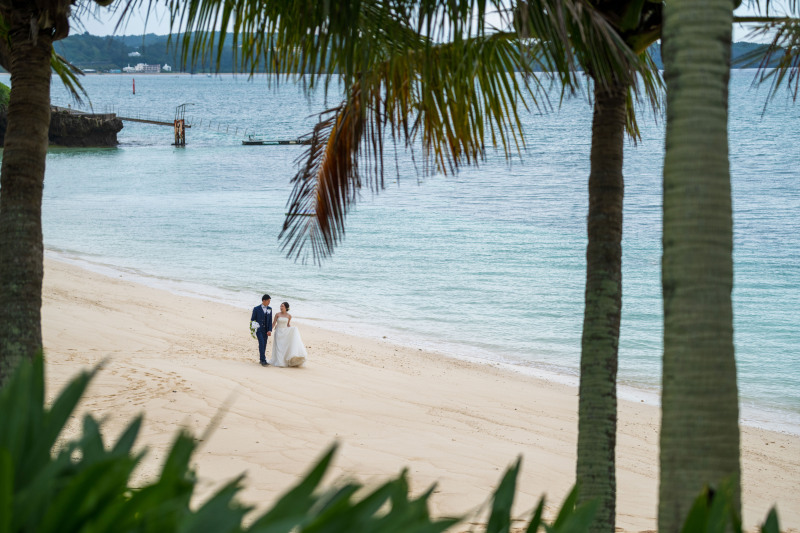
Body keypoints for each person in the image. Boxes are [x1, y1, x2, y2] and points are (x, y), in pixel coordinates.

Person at [269, 302, 307, 367]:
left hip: (285, 333)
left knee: (283, 347)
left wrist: (292, 330)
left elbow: (288, 324)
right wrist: (270, 330)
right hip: (278, 332)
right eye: (280, 306)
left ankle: (283, 361)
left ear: (286, 308)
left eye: (282, 306)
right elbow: (274, 323)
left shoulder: (289, 316)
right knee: (278, 347)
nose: (281, 307)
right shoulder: (277, 314)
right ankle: (279, 362)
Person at [250, 294, 273, 366]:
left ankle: (261, 359)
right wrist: (254, 328)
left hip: (266, 330)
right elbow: (252, 320)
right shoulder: (256, 309)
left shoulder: (270, 309)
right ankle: (263, 360)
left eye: (270, 301)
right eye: (268, 301)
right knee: (261, 343)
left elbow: (270, 320)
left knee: (264, 344)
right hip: (259, 329)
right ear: (264, 300)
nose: (269, 302)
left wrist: (270, 330)